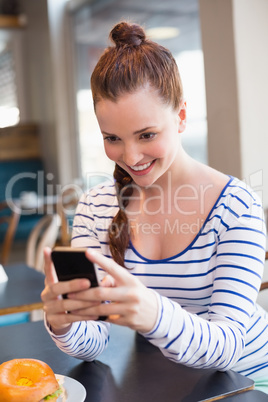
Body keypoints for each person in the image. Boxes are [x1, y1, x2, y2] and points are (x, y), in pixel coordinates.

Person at [41, 21, 268, 392]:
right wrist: (64, 321)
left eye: (147, 135)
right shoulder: (96, 208)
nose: (130, 156)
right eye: (112, 138)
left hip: (253, 378)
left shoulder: (236, 206)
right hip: (174, 380)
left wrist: (152, 313)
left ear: (180, 117)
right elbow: (93, 342)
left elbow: (228, 348)